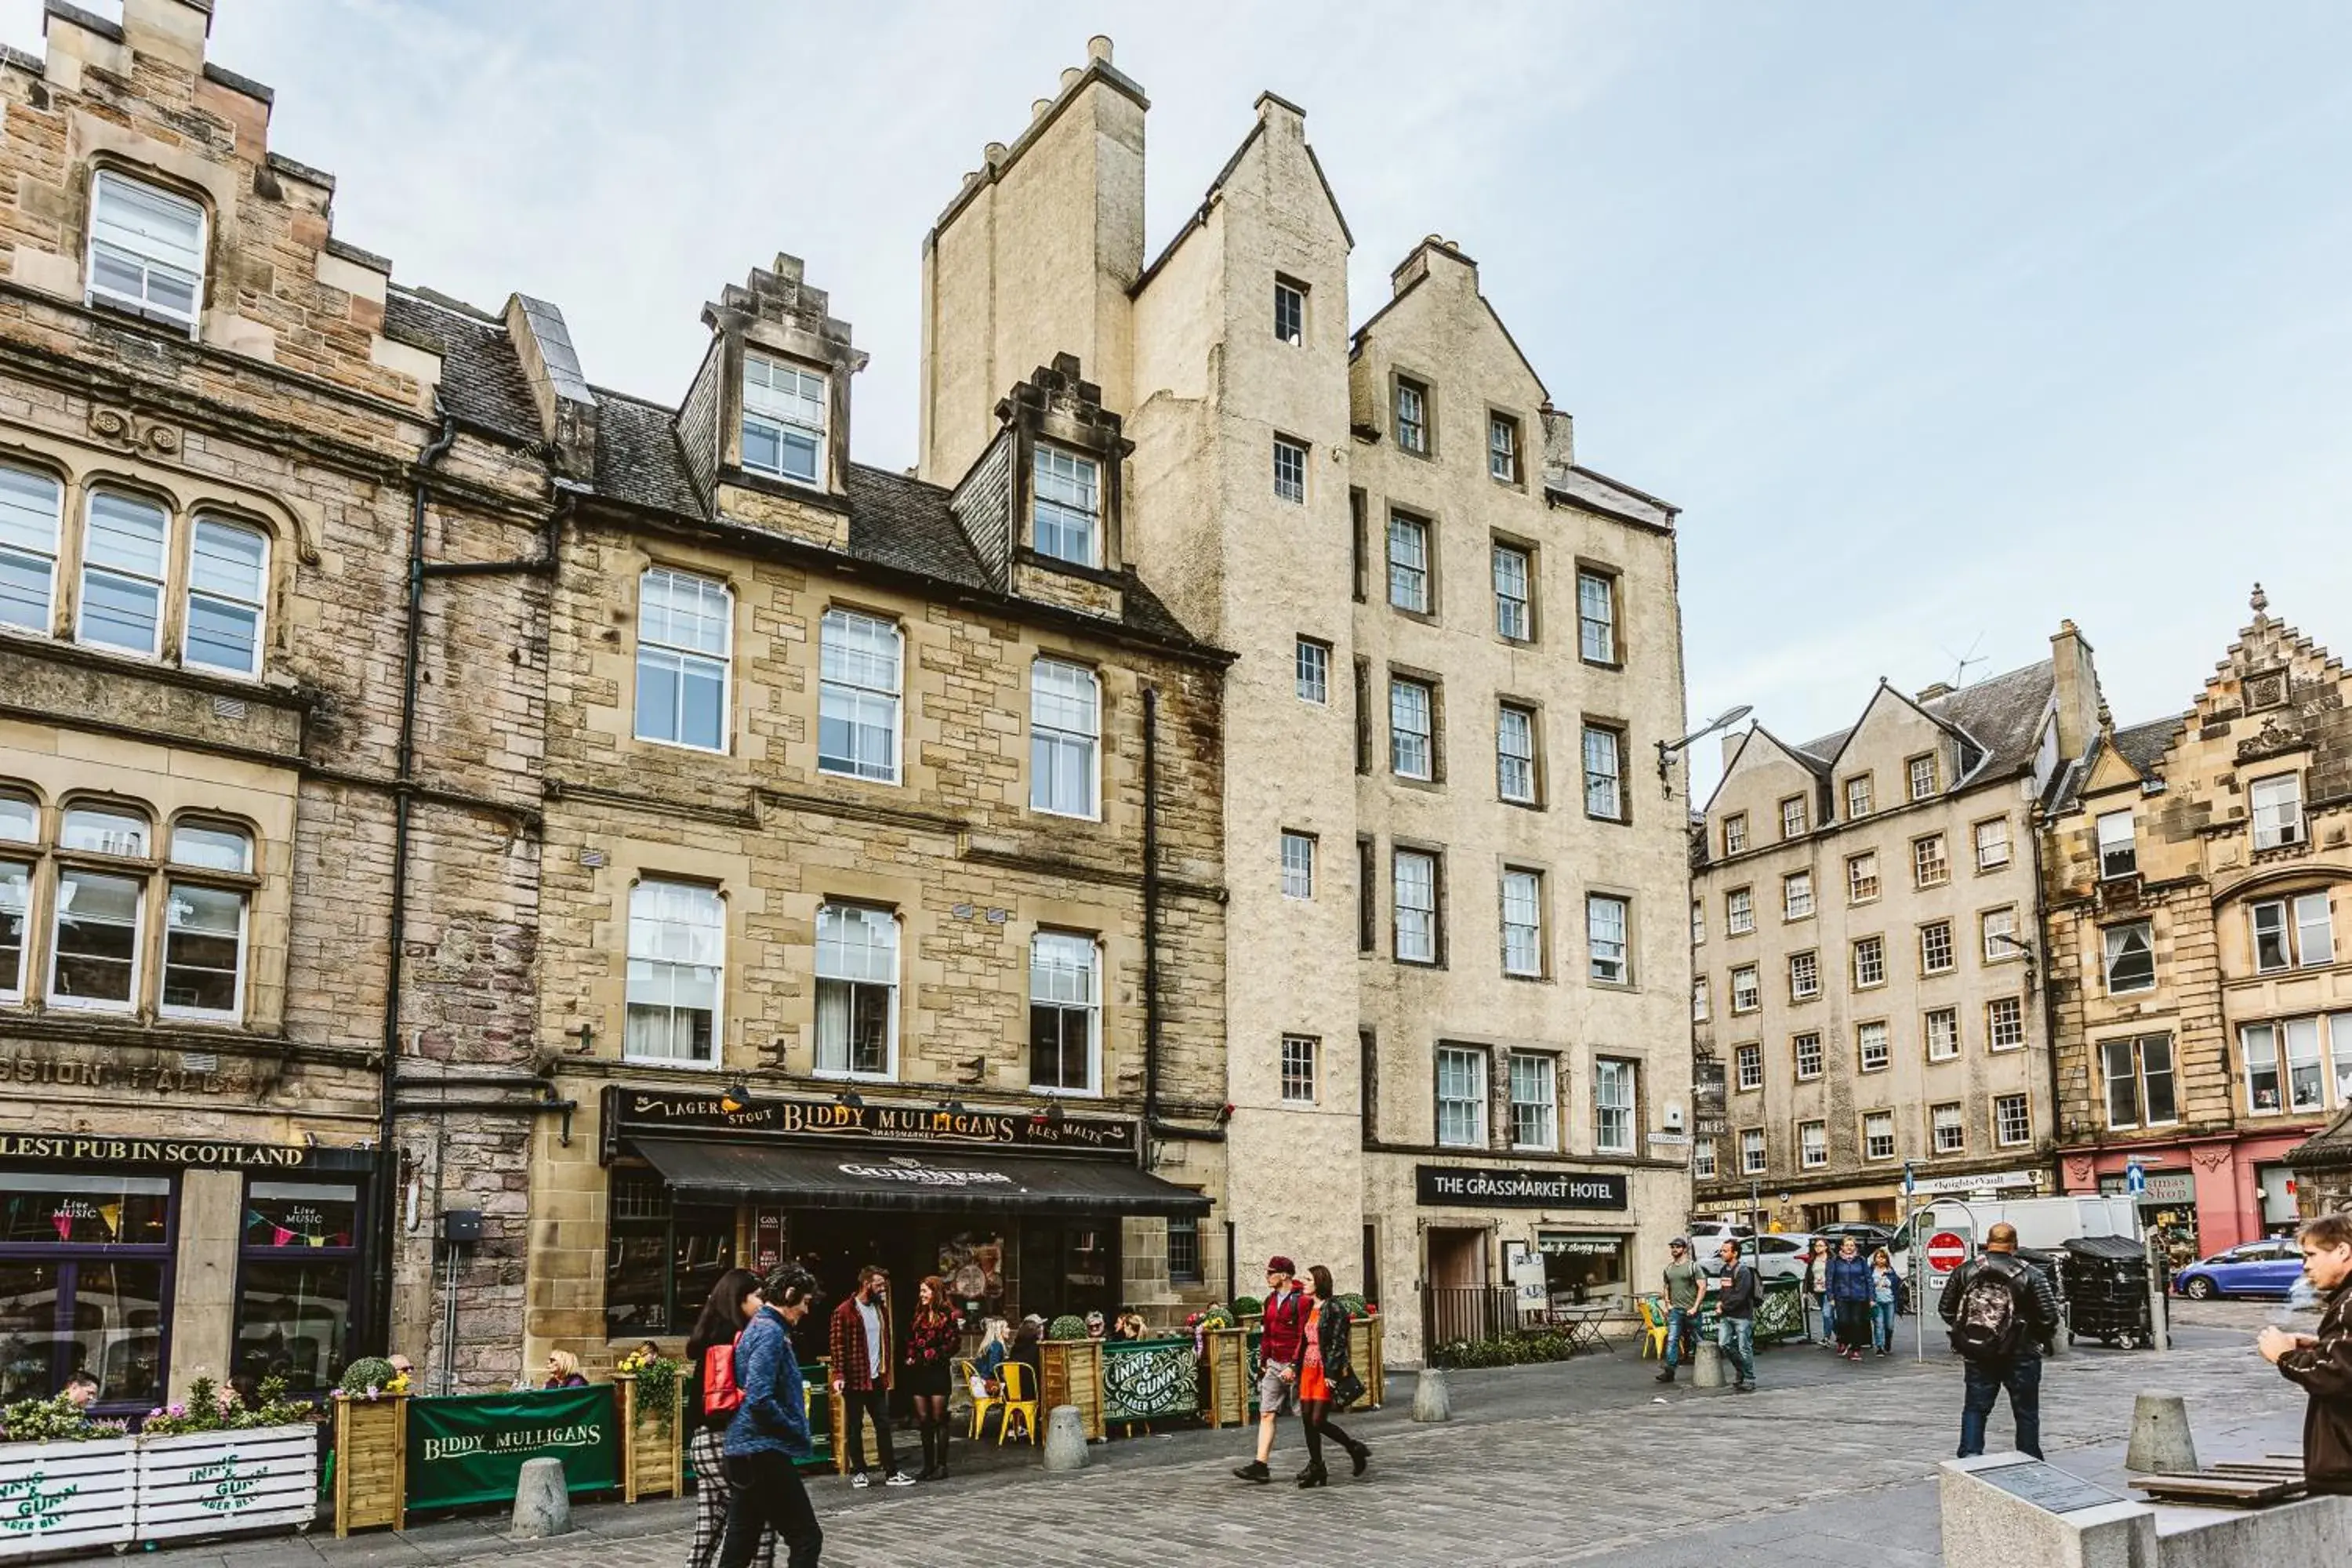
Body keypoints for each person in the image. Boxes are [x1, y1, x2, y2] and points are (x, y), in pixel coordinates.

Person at [717, 1265, 823, 1568]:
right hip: (762, 1451)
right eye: (804, 1301)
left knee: (741, 1544)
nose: (806, 1309)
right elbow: (759, 1396)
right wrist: (791, 1427)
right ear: (789, 1295)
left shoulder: (761, 1328)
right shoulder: (770, 1332)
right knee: (806, 1538)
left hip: (747, 1450)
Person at [1940, 1221, 2061, 1458]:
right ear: (2015, 1244)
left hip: (1979, 1352)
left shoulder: (1966, 1270)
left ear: (1988, 1241)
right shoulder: (2031, 1274)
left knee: (1975, 1408)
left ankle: (1970, 1457)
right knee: (2025, 1411)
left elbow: (1946, 1309)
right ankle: (2028, 1458)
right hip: (2021, 1353)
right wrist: (2032, 1337)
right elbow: (2049, 1317)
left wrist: (1971, 1334)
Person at [2257, 1212, 2352, 1494]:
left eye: (2311, 1255)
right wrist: (2322, 1347)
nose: (2306, 1266)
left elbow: (2337, 1376)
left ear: (2343, 1251)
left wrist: (2284, 1356)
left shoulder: (2349, 1303)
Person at [687, 1269, 773, 1568]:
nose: (764, 1303)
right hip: (726, 1441)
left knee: (707, 1534)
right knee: (759, 1523)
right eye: (759, 1297)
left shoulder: (709, 1336)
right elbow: (741, 1398)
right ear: (740, 1300)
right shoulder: (736, 1338)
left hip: (702, 1442)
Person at [826, 1265, 912, 1488]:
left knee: (883, 1424)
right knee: (855, 1426)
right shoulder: (845, 1311)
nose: (882, 1289)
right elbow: (837, 1346)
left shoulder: (880, 1309)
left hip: (876, 1377)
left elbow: (885, 1343)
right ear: (866, 1284)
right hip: (855, 1377)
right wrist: (838, 1374)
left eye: (883, 1285)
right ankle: (859, 1471)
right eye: (879, 1285)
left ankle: (891, 1471)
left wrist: (886, 1372)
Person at [1233, 1257, 1309, 1483]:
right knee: (1266, 1413)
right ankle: (1261, 1465)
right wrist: (1264, 1362)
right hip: (1274, 1364)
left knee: (1309, 1417)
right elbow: (1267, 1334)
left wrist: (1295, 1365)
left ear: (1284, 1275)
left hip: (1294, 1363)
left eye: (1271, 1273)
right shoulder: (1269, 1301)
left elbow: (1303, 1336)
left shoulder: (1301, 1301)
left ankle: (1324, 1457)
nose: (1267, 1276)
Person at [1293, 1264, 1370, 1486]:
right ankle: (1317, 1466)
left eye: (1308, 1279)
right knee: (1308, 1420)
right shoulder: (1309, 1308)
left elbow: (1338, 1342)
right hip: (1308, 1366)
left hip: (1324, 1369)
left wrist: (1332, 1372)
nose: (1303, 1282)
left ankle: (1354, 1448)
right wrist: (1293, 1365)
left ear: (1319, 1282)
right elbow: (1304, 1340)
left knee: (1318, 1420)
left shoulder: (1334, 1308)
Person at [902, 1276, 960, 1482]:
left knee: (939, 1418)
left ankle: (942, 1465)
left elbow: (954, 1343)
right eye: (921, 1291)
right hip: (919, 1371)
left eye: (925, 1291)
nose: (922, 1295)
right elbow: (910, 1338)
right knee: (924, 1419)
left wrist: (932, 1354)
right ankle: (928, 1465)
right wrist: (910, 1355)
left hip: (937, 1371)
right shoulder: (919, 1313)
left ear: (935, 1292)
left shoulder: (947, 1315)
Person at [1653, 1237, 1705, 1385]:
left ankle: (1707, 1366)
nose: (1674, 1250)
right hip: (1676, 1310)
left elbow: (1702, 1286)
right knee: (1672, 1339)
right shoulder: (1669, 1269)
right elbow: (1666, 1287)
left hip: (1691, 1310)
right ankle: (1670, 1371)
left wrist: (1695, 1307)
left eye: (1677, 1247)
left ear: (1684, 1249)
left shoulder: (1693, 1267)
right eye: (1672, 1247)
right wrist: (1668, 1304)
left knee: (1699, 1340)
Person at [1712, 1239, 1759, 1392]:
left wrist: (1723, 1306)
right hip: (1726, 1314)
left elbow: (1741, 1295)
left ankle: (1750, 1378)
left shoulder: (1743, 1271)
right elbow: (1723, 1290)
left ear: (1735, 1253)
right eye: (1722, 1250)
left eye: (1725, 1251)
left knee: (1744, 1347)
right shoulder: (1724, 1270)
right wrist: (1719, 1302)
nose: (1722, 1253)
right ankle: (1741, 1370)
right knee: (1724, 1344)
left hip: (1742, 1315)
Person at [1828, 1236, 1874, 1363]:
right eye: (1847, 1245)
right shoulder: (1835, 1261)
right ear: (1842, 1247)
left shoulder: (1861, 1260)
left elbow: (1869, 1279)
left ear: (1855, 1247)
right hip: (1841, 1295)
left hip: (1858, 1296)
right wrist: (1830, 1296)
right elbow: (1830, 1279)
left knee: (1856, 1322)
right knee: (1843, 1321)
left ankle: (1856, 1349)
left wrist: (1871, 1297)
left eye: (1852, 1245)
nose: (1849, 1247)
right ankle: (1843, 1340)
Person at [1869, 1247, 1900, 1357]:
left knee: (1889, 1325)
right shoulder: (1871, 1271)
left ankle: (1888, 1340)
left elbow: (1897, 1284)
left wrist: (1890, 1276)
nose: (1880, 1260)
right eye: (1878, 1257)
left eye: (1883, 1258)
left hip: (1889, 1301)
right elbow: (1868, 1284)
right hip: (1876, 1301)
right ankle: (1880, 1346)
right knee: (1879, 1324)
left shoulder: (1891, 1271)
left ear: (1886, 1259)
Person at [1803, 1238, 1833, 1345]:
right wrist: (1805, 1291)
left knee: (1826, 1314)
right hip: (1817, 1290)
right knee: (1829, 1316)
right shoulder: (1813, 1260)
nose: (1818, 1248)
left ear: (1826, 1247)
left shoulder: (1831, 1259)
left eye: (1820, 1246)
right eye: (1816, 1246)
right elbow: (1808, 1276)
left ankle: (1826, 1338)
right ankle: (1841, 1336)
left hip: (1829, 1290)